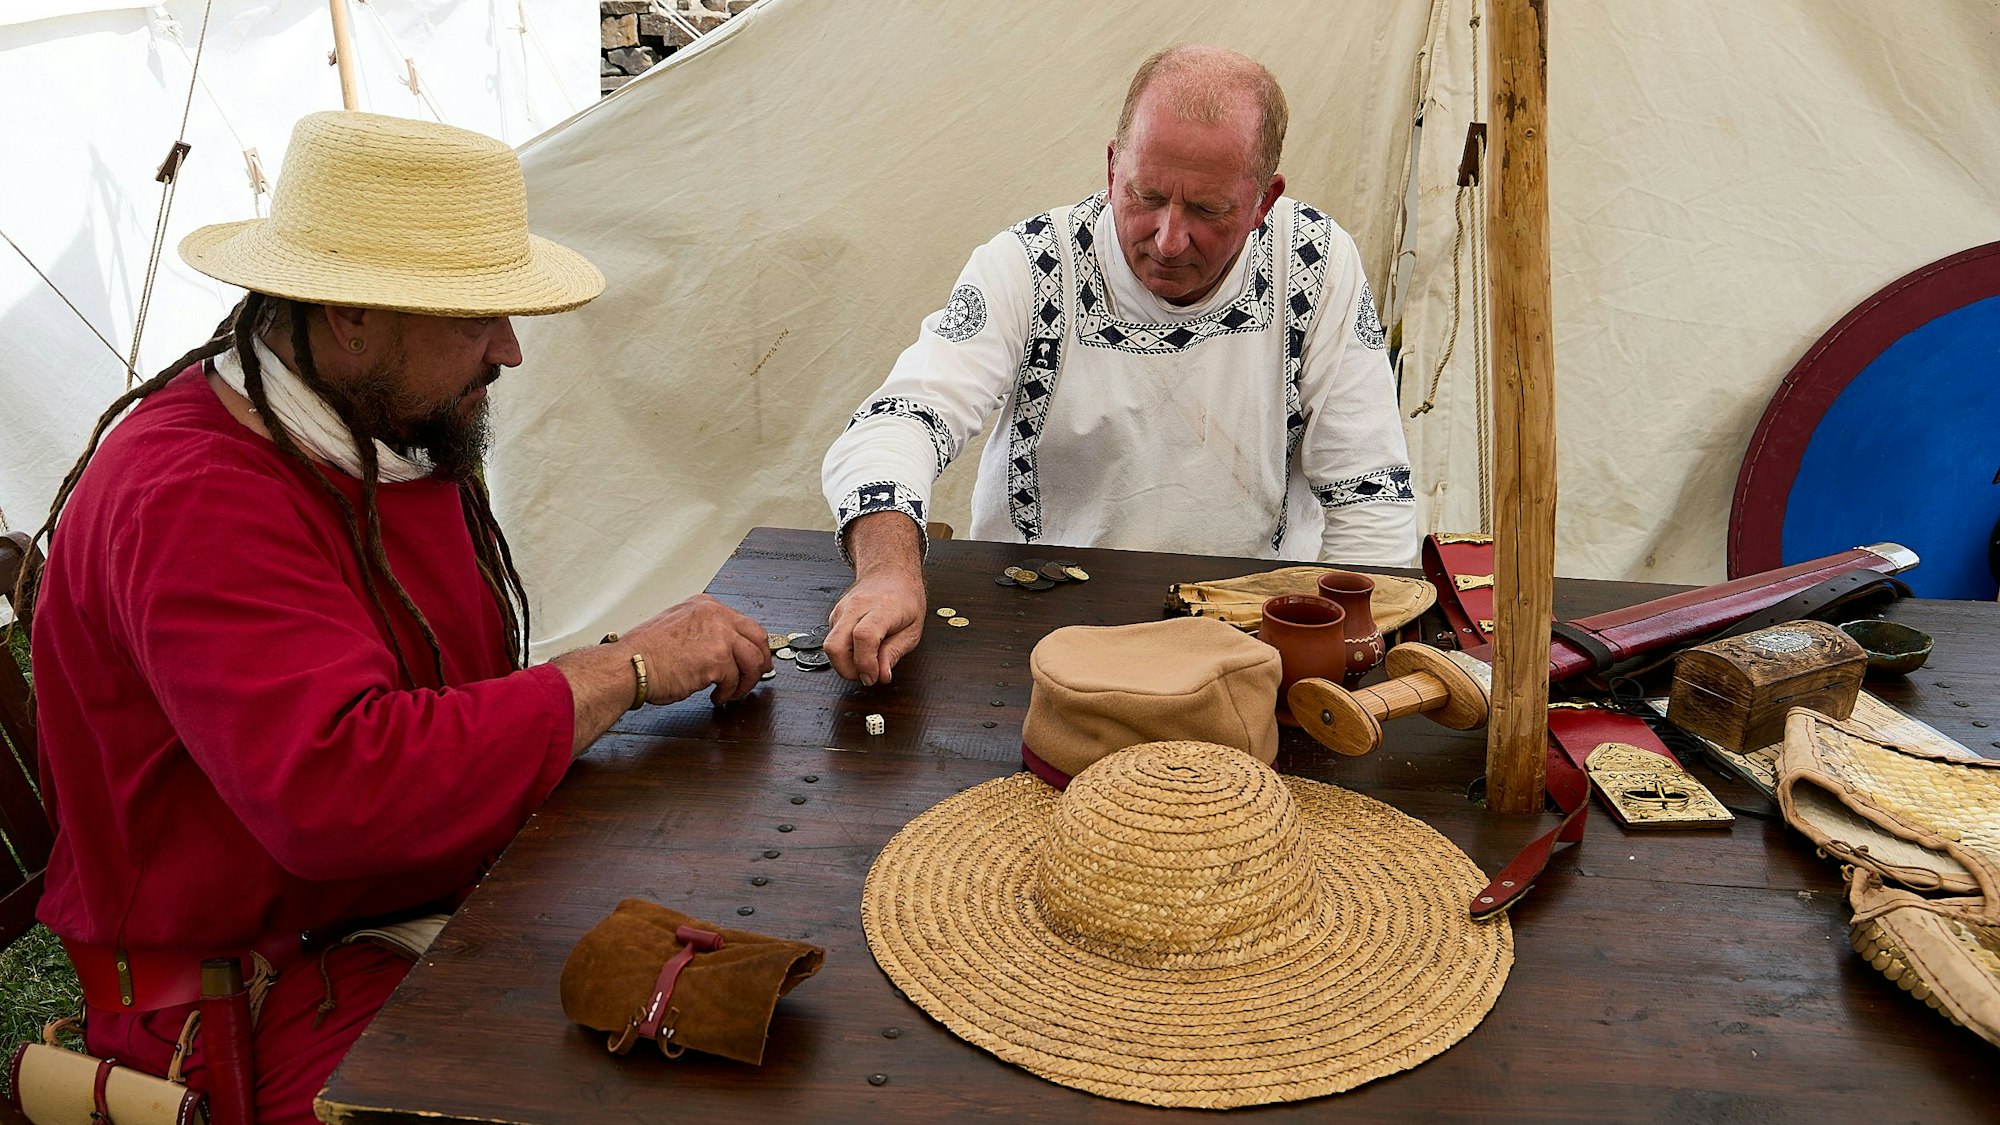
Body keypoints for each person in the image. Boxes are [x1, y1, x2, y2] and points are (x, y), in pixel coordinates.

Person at [22, 111, 771, 1123]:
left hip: (387, 920)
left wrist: (612, 677)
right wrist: (618, 671)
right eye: (474, 318)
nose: (509, 350)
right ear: (346, 311)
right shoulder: (192, 495)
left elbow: (430, 699)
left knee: (749, 970)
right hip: (242, 1000)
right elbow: (334, 791)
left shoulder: (381, 433)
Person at [820, 46, 1417, 686]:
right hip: (1036, 635)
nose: (1167, 238)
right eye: (1146, 195)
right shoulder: (1031, 265)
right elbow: (902, 419)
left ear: (1264, 200)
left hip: (1247, 647)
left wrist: (1354, 668)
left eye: (1208, 211)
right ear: (1112, 168)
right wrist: (888, 572)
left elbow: (1369, 492)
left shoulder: (1315, 265)